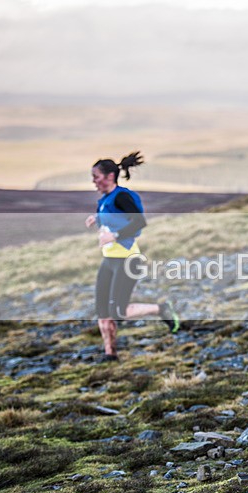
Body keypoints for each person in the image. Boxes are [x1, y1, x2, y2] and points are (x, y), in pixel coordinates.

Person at [84, 151, 180, 361]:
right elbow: (112, 221)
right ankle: (110, 354)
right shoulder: (104, 200)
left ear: (110, 176)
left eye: (96, 177)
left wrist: (115, 235)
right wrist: (96, 219)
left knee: (119, 311)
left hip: (128, 260)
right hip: (109, 261)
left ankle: (161, 309)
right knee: (103, 311)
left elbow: (139, 223)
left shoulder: (123, 196)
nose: (94, 181)